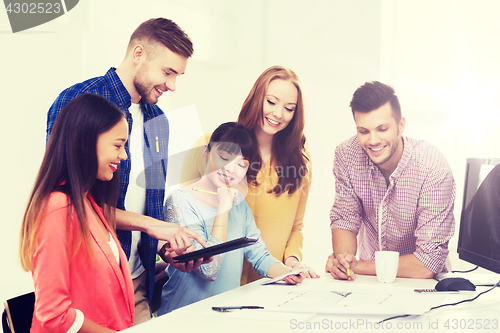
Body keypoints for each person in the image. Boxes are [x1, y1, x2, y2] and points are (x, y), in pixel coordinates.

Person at [46, 18, 207, 324]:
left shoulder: (159, 121)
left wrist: (168, 249)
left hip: (138, 284)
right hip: (90, 285)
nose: (172, 85)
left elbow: (150, 205)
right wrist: (150, 225)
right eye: (168, 72)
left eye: (178, 75)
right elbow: (68, 206)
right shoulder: (76, 102)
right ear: (138, 54)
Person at [158, 122, 314, 315]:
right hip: (183, 317)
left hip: (223, 315)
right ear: (207, 153)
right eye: (224, 158)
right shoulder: (180, 201)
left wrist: (288, 273)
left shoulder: (239, 204)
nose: (231, 170)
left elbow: (259, 255)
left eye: (241, 165)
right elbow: (209, 270)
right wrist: (223, 209)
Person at [180, 66, 315, 284]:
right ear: (256, 99)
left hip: (269, 283)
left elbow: (296, 227)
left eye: (289, 108)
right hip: (209, 284)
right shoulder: (208, 146)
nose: (278, 114)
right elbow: (183, 215)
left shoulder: (300, 163)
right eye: (271, 102)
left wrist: (292, 261)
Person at [20, 94, 134, 332]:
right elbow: (53, 314)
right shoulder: (57, 207)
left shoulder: (87, 203)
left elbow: (101, 279)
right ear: (85, 142)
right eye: (117, 145)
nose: (123, 155)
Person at [326, 81, 456, 280]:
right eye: (364, 131)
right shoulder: (346, 155)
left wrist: (358, 266)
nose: (373, 140)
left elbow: (427, 263)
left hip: (423, 283)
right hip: (370, 280)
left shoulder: (432, 167)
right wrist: (344, 262)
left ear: (400, 125)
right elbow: (345, 218)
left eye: (382, 129)